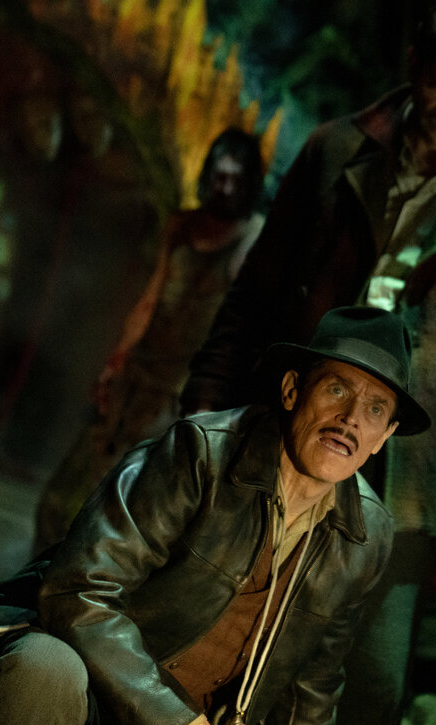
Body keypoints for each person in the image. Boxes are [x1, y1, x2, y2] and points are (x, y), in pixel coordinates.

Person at [178, 2, 436, 725]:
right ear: (414, 61)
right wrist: (207, 401)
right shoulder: (337, 149)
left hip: (413, 460)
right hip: (297, 420)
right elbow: (256, 292)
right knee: (230, 626)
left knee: (376, 676)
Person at [0, 306, 431, 725]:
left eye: (375, 409)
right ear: (293, 390)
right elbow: (78, 590)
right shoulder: (200, 453)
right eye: (337, 389)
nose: (350, 419)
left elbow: (310, 700)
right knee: (43, 670)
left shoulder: (366, 536)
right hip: (98, 677)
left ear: (384, 436)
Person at [33, 128, 266, 553]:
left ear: (250, 184)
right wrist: (115, 363)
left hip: (182, 391)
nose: (226, 188)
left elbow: (242, 334)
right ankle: (42, 575)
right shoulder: (182, 226)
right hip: (138, 374)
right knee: (70, 491)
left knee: (133, 503)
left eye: (236, 180)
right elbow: (150, 299)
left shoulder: (253, 241)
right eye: (220, 177)